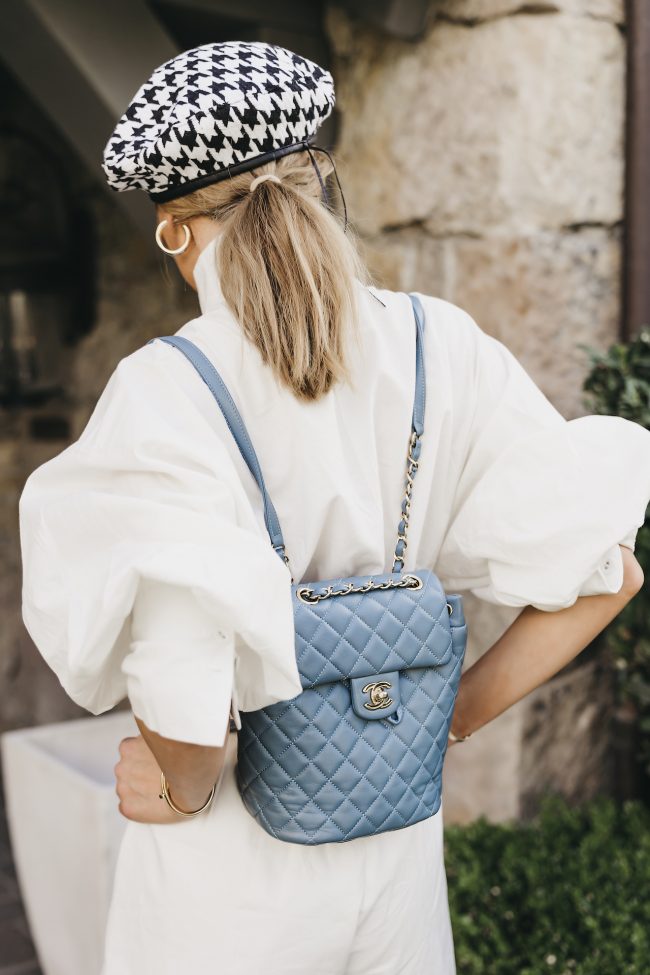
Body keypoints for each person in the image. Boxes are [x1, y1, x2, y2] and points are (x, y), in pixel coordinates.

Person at [18, 40, 650, 975]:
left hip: (226, 897)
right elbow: (609, 574)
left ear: (176, 231)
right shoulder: (447, 347)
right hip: (396, 867)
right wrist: (451, 718)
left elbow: (187, 709)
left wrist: (182, 788)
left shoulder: (167, 395)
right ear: (320, 181)